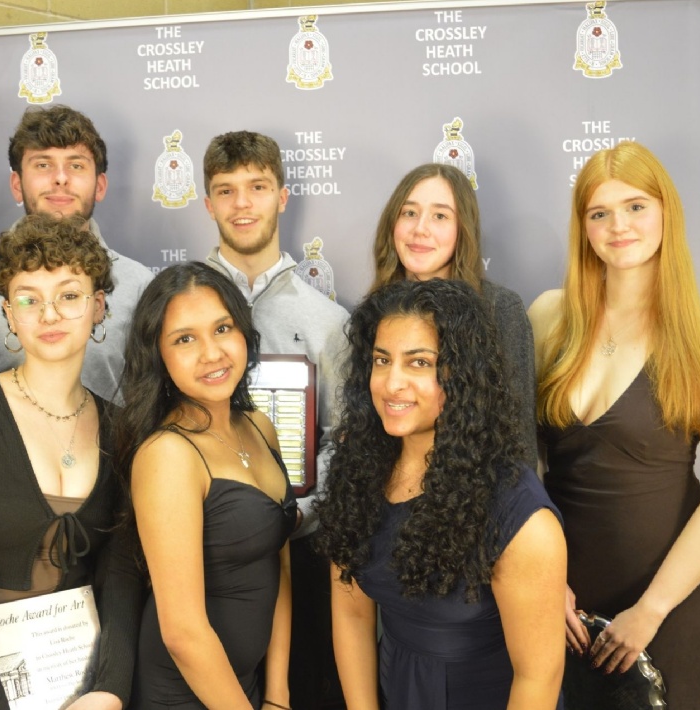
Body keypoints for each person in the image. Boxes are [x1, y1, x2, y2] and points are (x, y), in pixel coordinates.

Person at [529, 141, 700, 708]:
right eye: (599, 213)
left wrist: (650, 611)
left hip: (671, 601)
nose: (618, 226)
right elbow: (523, 467)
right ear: (583, 227)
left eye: (635, 207)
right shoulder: (548, 317)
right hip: (563, 602)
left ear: (665, 212)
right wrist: (542, 580)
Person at [0, 214, 142, 710]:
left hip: (80, 680)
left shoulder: (121, 427)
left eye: (69, 295)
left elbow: (121, 573)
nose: (49, 314)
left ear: (99, 306)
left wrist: (110, 689)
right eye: (29, 299)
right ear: (8, 315)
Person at [315, 279, 566, 710]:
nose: (392, 383)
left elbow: (538, 677)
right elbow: (352, 611)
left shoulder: (519, 516)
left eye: (419, 363)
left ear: (462, 375)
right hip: (397, 689)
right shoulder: (357, 470)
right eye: (381, 360)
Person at [201, 130, 349, 708]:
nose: (242, 204)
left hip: (300, 550)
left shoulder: (328, 322)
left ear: (282, 197)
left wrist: (299, 514)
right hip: (202, 551)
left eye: (258, 187)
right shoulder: (177, 305)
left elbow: (343, 441)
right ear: (208, 203)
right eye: (226, 190)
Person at [116, 263, 296, 709]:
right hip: (180, 696)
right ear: (158, 355)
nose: (212, 353)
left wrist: (277, 694)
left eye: (222, 328)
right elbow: (182, 632)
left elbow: (279, 564)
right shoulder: (167, 455)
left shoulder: (259, 426)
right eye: (185, 339)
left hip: (247, 688)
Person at [0, 104, 153, 398]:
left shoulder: (140, 285)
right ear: (17, 184)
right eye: (43, 165)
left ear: (100, 186)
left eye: (76, 165)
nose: (60, 178)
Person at [371, 163, 537, 466]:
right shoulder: (374, 313)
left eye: (440, 216)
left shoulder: (499, 310)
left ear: (462, 229)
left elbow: (519, 442)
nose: (420, 228)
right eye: (409, 213)